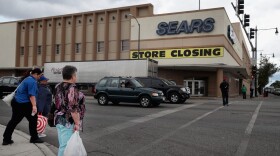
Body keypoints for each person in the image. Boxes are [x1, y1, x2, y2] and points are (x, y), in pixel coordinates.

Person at [2, 68, 44, 145]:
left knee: (14, 121)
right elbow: (31, 95)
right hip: (24, 104)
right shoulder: (32, 81)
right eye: (40, 75)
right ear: (35, 74)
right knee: (33, 120)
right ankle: (34, 138)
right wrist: (34, 106)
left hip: (17, 102)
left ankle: (6, 139)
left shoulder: (26, 79)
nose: (40, 77)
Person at [53, 65, 86, 156]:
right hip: (67, 121)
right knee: (65, 147)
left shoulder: (57, 86)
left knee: (63, 145)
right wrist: (77, 123)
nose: (76, 77)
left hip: (59, 119)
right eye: (75, 75)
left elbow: (55, 102)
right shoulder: (72, 88)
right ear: (72, 76)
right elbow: (73, 108)